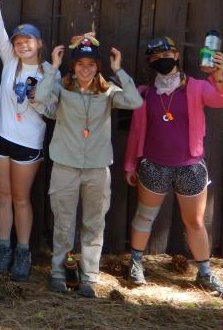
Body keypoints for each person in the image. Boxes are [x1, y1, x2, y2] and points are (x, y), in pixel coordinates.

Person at [123, 37, 223, 299]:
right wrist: (130, 163)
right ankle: (136, 263)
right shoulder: (145, 93)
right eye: (154, 57)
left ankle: (204, 272)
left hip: (190, 167)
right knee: (144, 216)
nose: (161, 60)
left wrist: (219, 76)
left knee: (195, 221)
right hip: (153, 165)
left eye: (166, 54)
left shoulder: (197, 87)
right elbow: (136, 131)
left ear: (176, 55)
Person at [34, 35, 142, 298]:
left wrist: (119, 71)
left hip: (96, 168)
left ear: (98, 66)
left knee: (94, 224)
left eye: (91, 64)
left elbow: (135, 102)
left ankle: (89, 278)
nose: (85, 69)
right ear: (73, 66)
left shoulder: (108, 91)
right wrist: (54, 68)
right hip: (65, 166)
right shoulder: (61, 87)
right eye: (80, 63)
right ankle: (59, 274)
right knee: (63, 224)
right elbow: (39, 98)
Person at [0, 0, 54, 281]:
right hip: (0, 136)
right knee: (2, 196)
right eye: (18, 41)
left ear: (39, 43)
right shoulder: (10, 61)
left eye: (29, 41)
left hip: (28, 143)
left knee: (21, 198)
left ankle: (23, 251)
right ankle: (4, 247)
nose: (22, 45)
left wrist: (38, 101)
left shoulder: (49, 72)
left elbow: (54, 111)